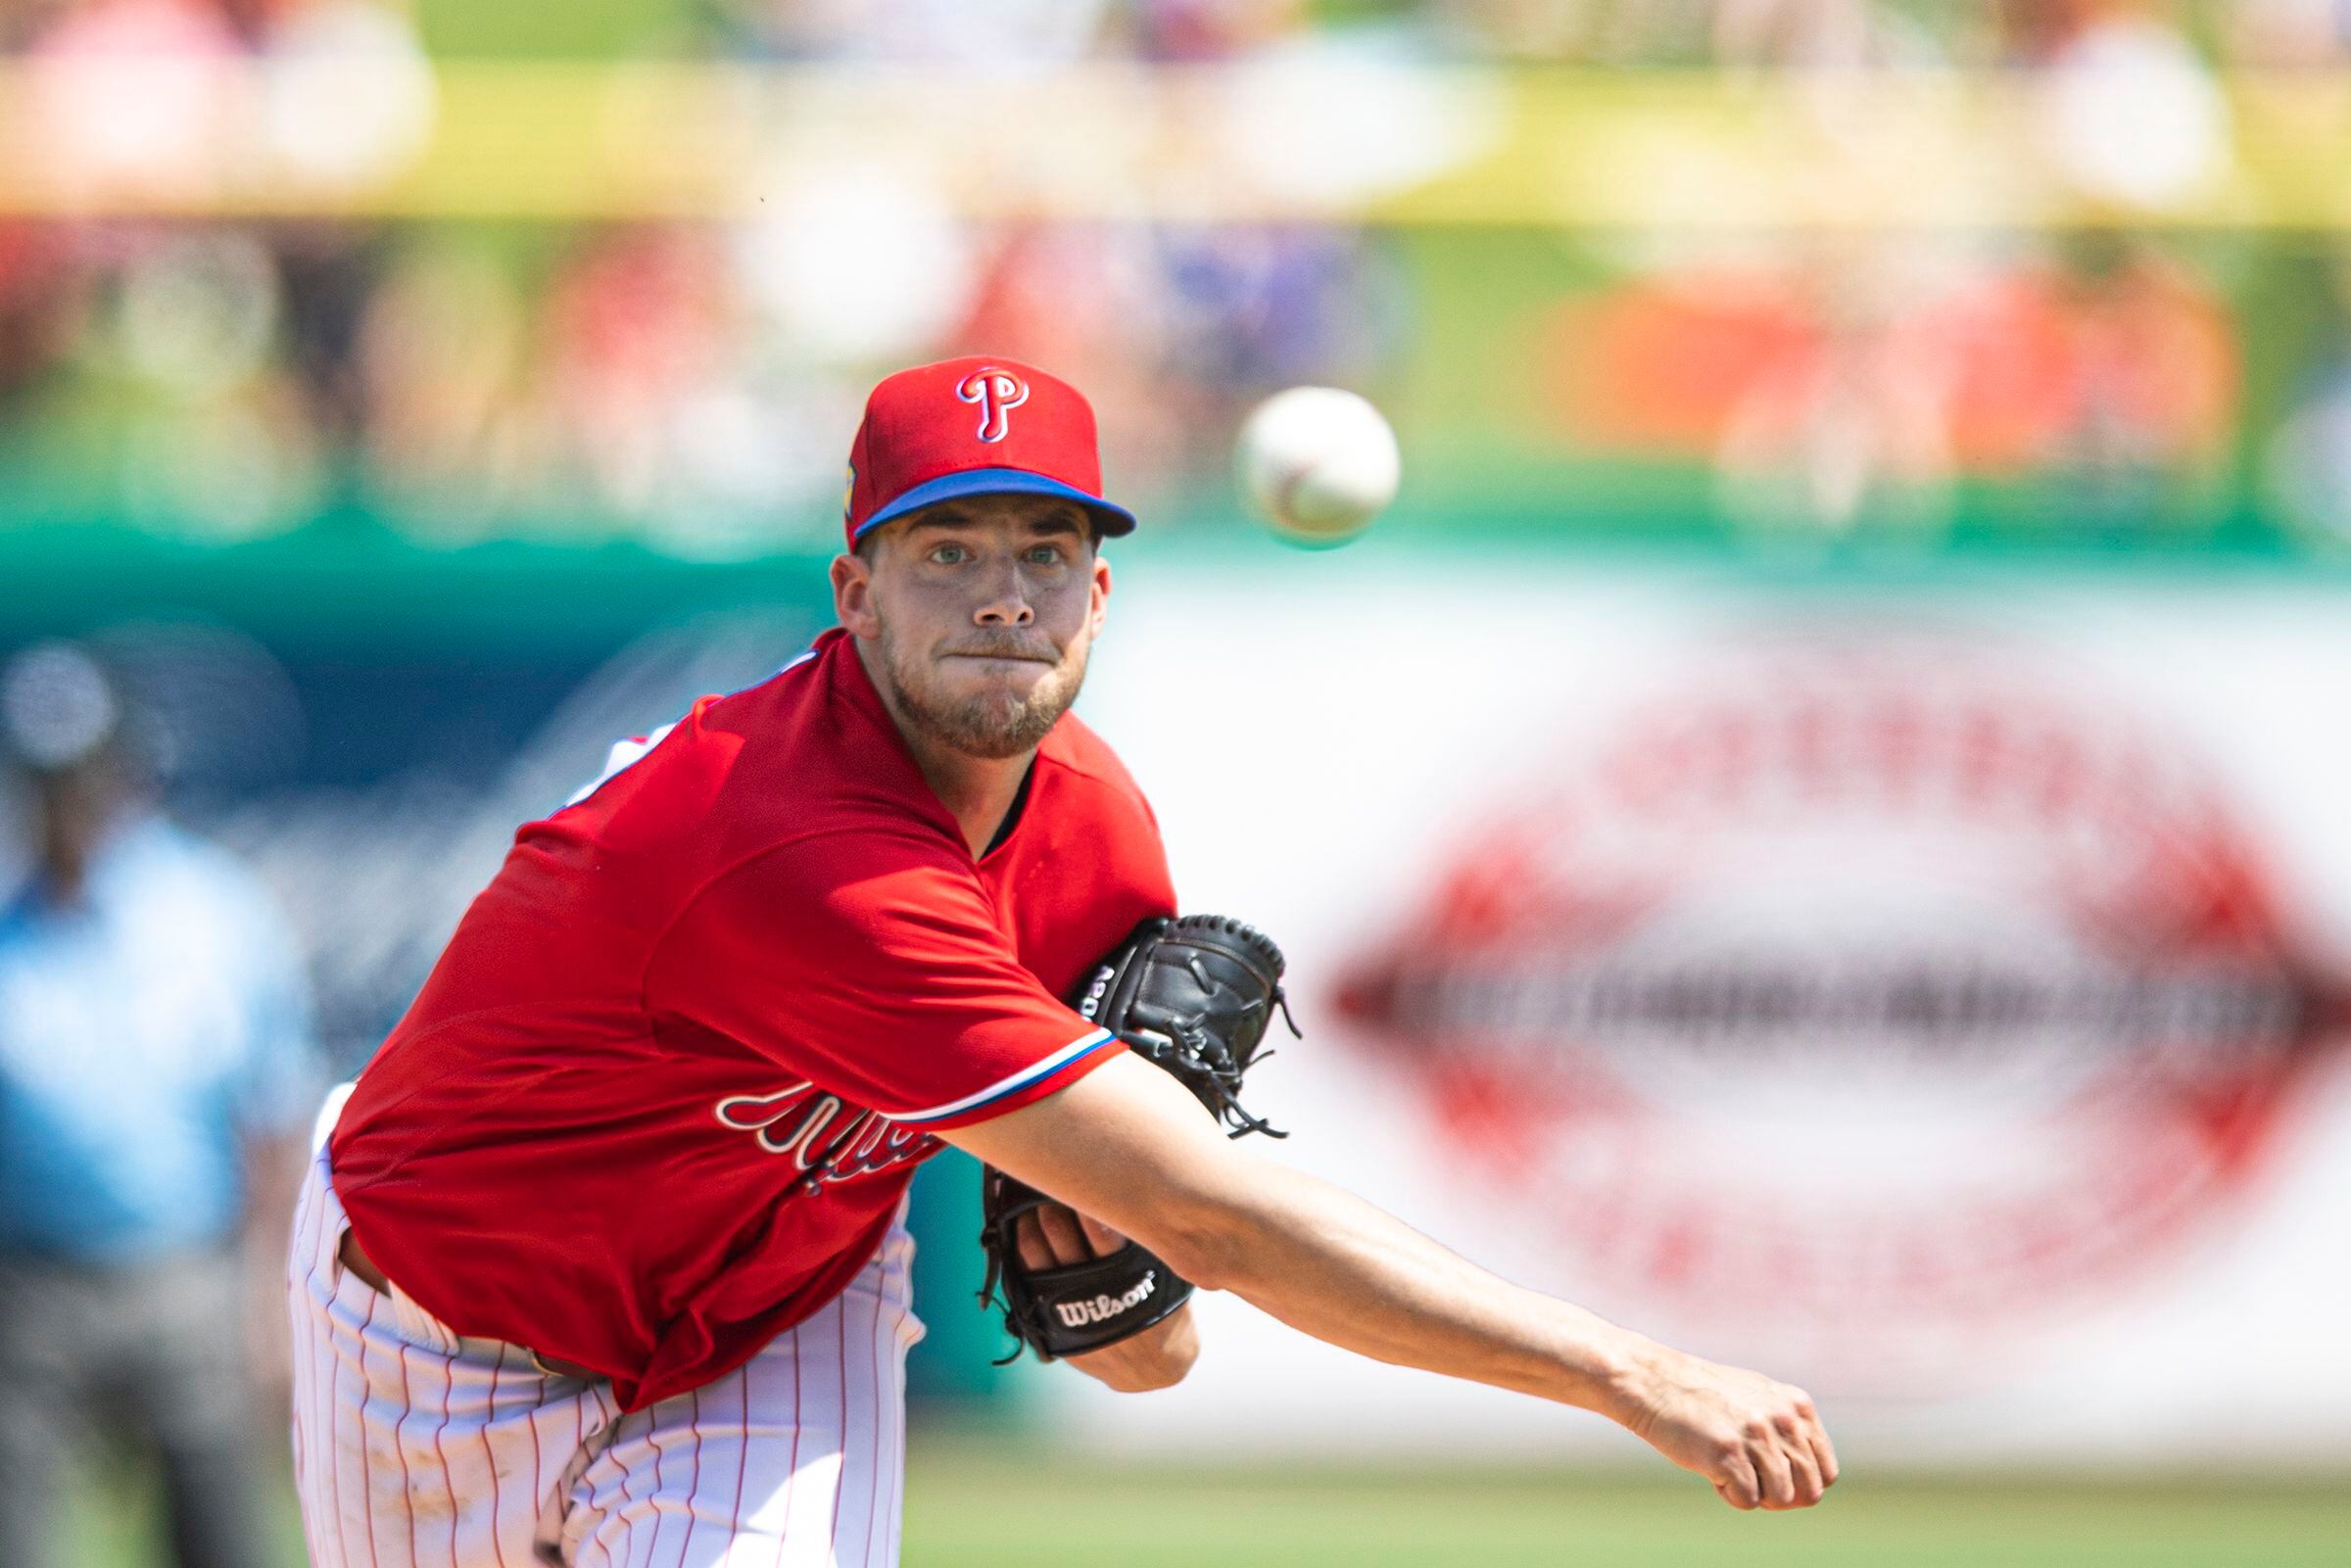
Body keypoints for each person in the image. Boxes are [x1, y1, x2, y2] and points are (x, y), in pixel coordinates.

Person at [291, 355, 1837, 1568]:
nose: (1002, 590)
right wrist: (1634, 1371)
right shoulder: (802, 853)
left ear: (1098, 596)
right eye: (943, 548)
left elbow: (1148, 1344)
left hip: (761, 1325)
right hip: (439, 1335)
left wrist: (1126, 1301)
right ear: (853, 596)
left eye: (1046, 545)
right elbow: (1211, 1214)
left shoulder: (1092, 836)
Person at [0, 640, 322, 1568]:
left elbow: (272, 1116)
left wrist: (273, 1293)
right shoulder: (7, 917)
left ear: (123, 770)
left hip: (188, 1275)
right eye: (44, 780)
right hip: (31, 1287)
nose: (64, 803)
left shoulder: (209, 910)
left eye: (81, 775)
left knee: (222, 1537)